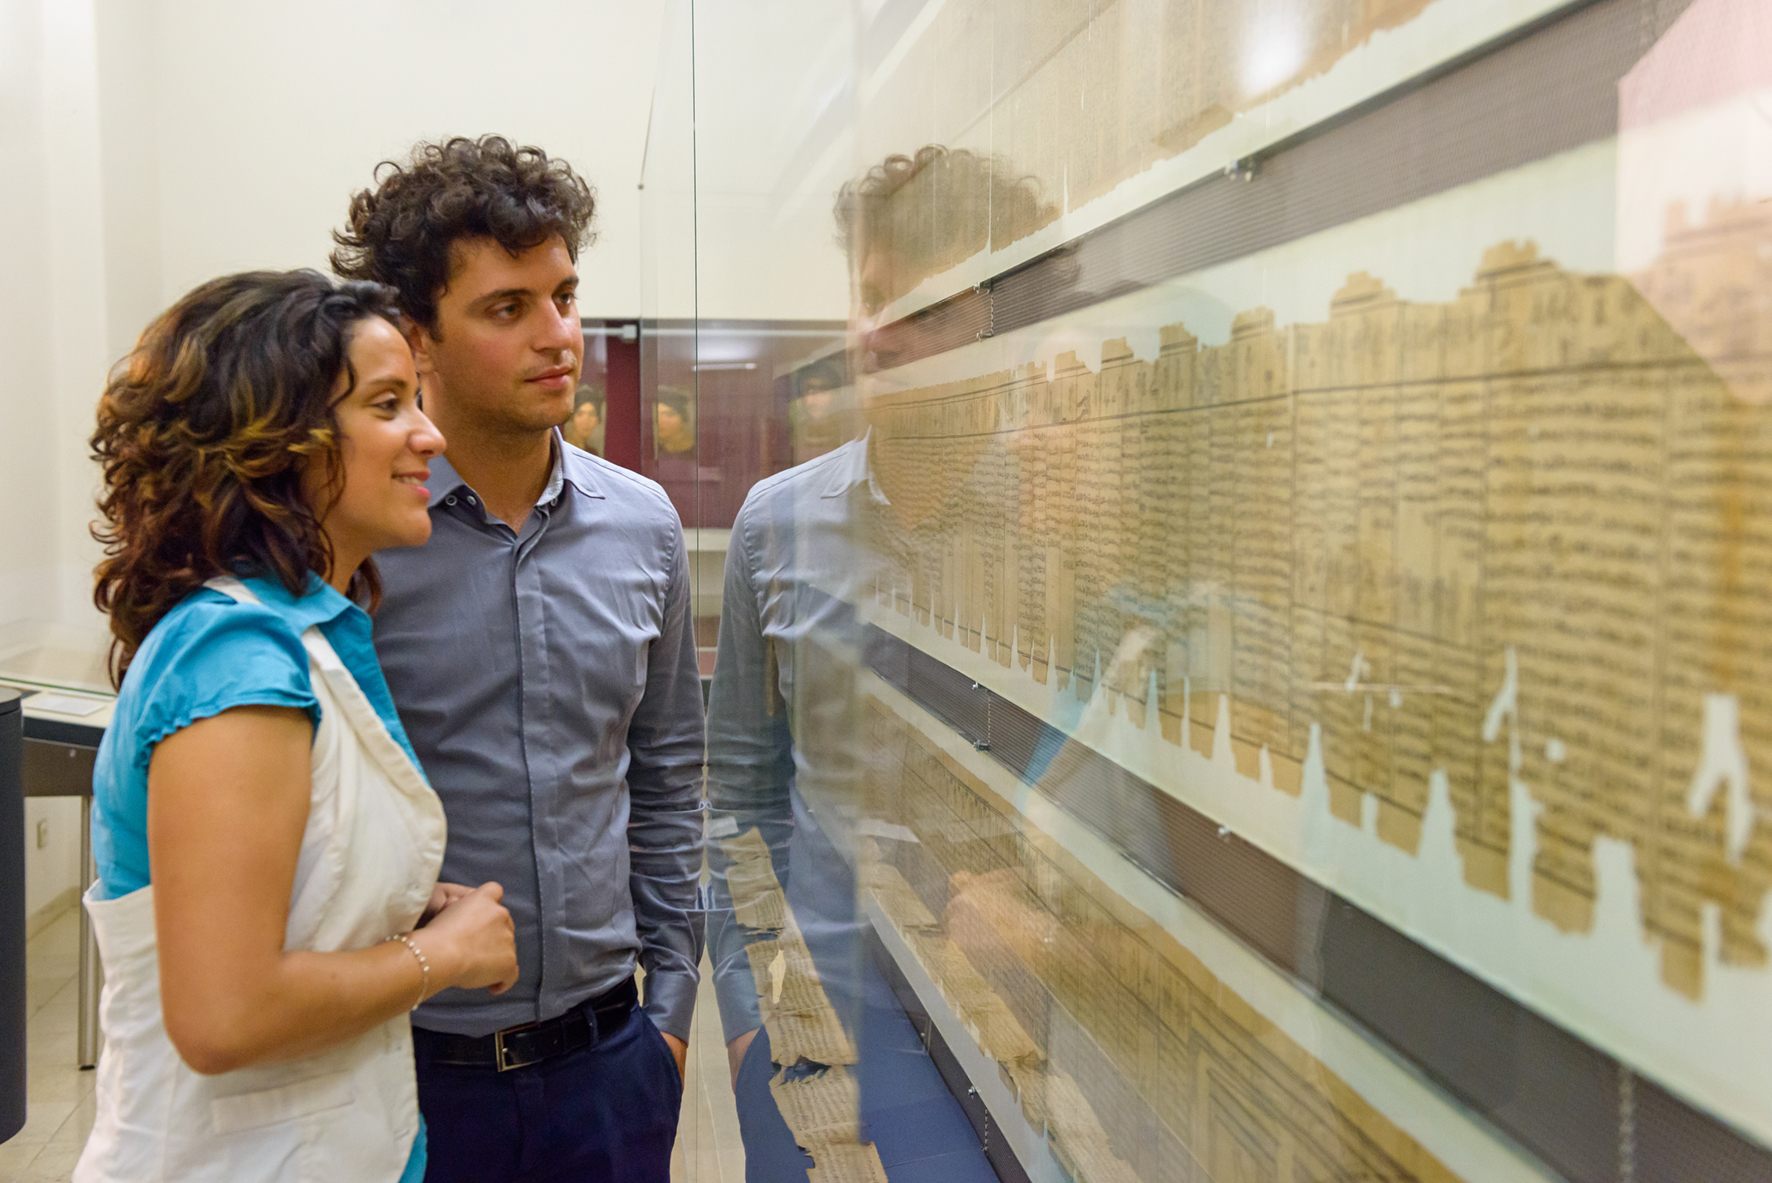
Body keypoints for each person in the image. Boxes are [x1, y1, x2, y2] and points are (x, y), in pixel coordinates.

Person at [78, 270, 519, 1182]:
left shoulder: (302, 635)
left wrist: (394, 895)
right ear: (281, 441)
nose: (428, 436)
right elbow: (223, 1013)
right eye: (388, 405)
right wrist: (442, 953)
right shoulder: (236, 661)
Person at [332, 135, 703, 1183]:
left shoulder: (642, 525)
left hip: (610, 1070)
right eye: (508, 309)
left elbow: (669, 778)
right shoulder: (354, 543)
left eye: (565, 295)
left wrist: (666, 1021)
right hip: (402, 1072)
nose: (560, 337)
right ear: (417, 338)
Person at [654, 386, 695, 455]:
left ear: (683, 418)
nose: (660, 421)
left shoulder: (697, 450)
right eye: (656, 415)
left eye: (668, 415)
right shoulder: (653, 448)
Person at [563, 386, 603, 455]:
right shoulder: (563, 447)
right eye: (580, 414)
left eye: (591, 414)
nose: (586, 421)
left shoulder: (593, 453)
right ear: (572, 418)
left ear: (597, 420)